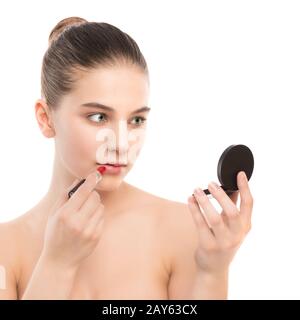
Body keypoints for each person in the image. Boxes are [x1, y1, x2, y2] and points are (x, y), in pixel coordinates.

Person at [0, 17, 254, 300]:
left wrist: (213, 271)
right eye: (98, 117)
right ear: (46, 118)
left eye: (136, 119)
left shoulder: (182, 229)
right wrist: (56, 263)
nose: (121, 144)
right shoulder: (4, 249)